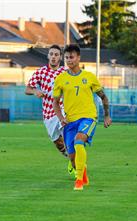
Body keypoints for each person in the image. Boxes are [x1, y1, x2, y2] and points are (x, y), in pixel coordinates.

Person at [53, 44, 112, 191]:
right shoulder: (60, 79)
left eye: (71, 57)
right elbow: (55, 102)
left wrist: (107, 116)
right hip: (70, 121)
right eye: (66, 57)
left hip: (88, 117)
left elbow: (103, 97)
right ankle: (81, 170)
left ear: (78, 58)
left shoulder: (89, 77)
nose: (69, 60)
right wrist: (61, 118)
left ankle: (79, 181)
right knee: (72, 158)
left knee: (79, 141)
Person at [25, 45, 75, 176]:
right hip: (48, 113)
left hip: (63, 109)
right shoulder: (40, 72)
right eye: (51, 54)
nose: (53, 57)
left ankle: (77, 164)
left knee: (68, 132)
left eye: (56, 54)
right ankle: (71, 159)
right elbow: (27, 89)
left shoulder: (65, 72)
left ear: (60, 57)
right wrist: (35, 90)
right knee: (58, 143)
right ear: (48, 56)